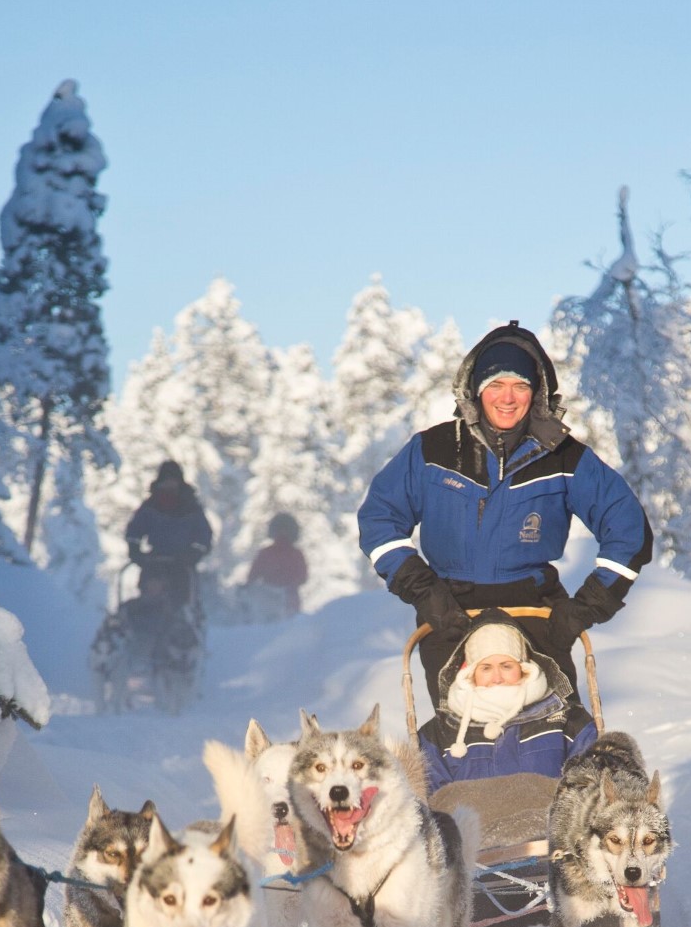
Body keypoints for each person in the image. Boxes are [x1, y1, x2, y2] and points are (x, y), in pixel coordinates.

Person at [357, 319, 653, 705]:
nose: (507, 398)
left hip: (537, 612)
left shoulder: (563, 456)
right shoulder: (433, 451)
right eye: (495, 384)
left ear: (537, 392)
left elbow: (628, 529)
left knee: (556, 731)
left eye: (520, 385)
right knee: (461, 737)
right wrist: (425, 592)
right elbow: (379, 519)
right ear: (475, 391)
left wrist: (584, 608)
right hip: (450, 612)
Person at [418, 613, 597, 793]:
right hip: (470, 821)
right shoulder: (439, 733)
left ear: (525, 668)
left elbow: (588, 788)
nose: (497, 678)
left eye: (506, 666)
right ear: (470, 673)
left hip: (549, 819)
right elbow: (435, 802)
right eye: (486, 668)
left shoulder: (566, 721)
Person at [125, 461, 212, 604]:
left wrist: (195, 553)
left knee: (182, 597)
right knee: (148, 594)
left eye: (172, 481)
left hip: (182, 562)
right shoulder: (150, 506)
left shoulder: (190, 507)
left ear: (179, 483)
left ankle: (183, 617)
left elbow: (204, 535)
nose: (169, 485)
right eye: (166, 481)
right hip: (154, 561)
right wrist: (134, 549)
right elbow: (135, 529)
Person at [246, 512, 308, 615]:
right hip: (275, 599)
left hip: (280, 599)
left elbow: (252, 576)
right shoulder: (295, 554)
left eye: (285, 531)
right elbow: (303, 577)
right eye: (280, 531)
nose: (282, 534)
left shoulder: (266, 553)